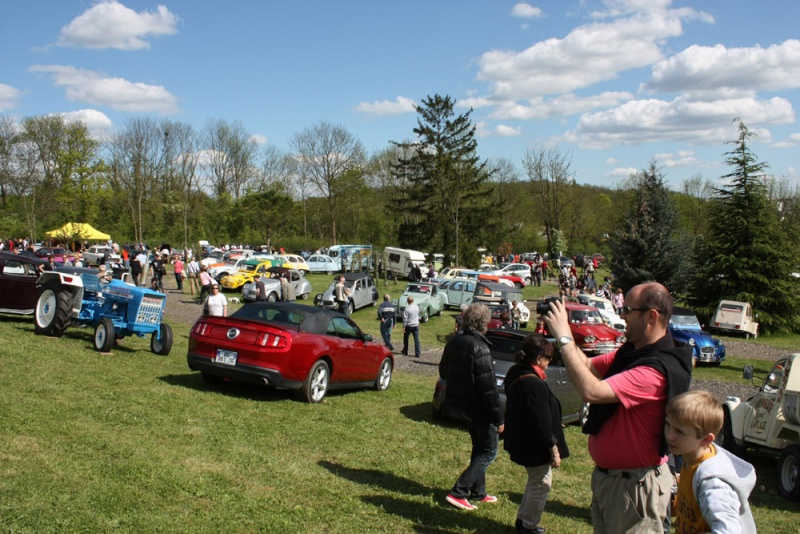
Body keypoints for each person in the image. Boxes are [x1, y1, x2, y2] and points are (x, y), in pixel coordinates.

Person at [542, 281, 693, 533]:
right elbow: (588, 366)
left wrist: (565, 337)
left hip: (635, 487)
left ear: (651, 316)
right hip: (614, 483)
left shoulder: (653, 370)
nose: (621, 317)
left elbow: (591, 391)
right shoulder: (633, 352)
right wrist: (564, 332)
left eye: (627, 310)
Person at [439, 303, 504, 511]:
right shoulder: (481, 348)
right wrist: (499, 418)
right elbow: (489, 389)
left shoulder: (454, 342)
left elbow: (443, 371)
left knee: (479, 447)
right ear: (484, 324)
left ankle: (478, 492)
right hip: (479, 409)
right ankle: (459, 491)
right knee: (489, 451)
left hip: (463, 405)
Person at [504, 333, 570, 534]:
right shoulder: (533, 383)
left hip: (523, 438)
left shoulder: (516, 372)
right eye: (549, 358)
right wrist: (553, 447)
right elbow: (541, 421)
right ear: (538, 358)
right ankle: (528, 526)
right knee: (542, 483)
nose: (550, 362)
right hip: (534, 443)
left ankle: (523, 520)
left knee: (536, 481)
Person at [665, 391, 757, 534]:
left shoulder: (712, 482)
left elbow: (729, 531)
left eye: (679, 432)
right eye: (668, 424)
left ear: (706, 440)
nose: (669, 435)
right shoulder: (691, 458)